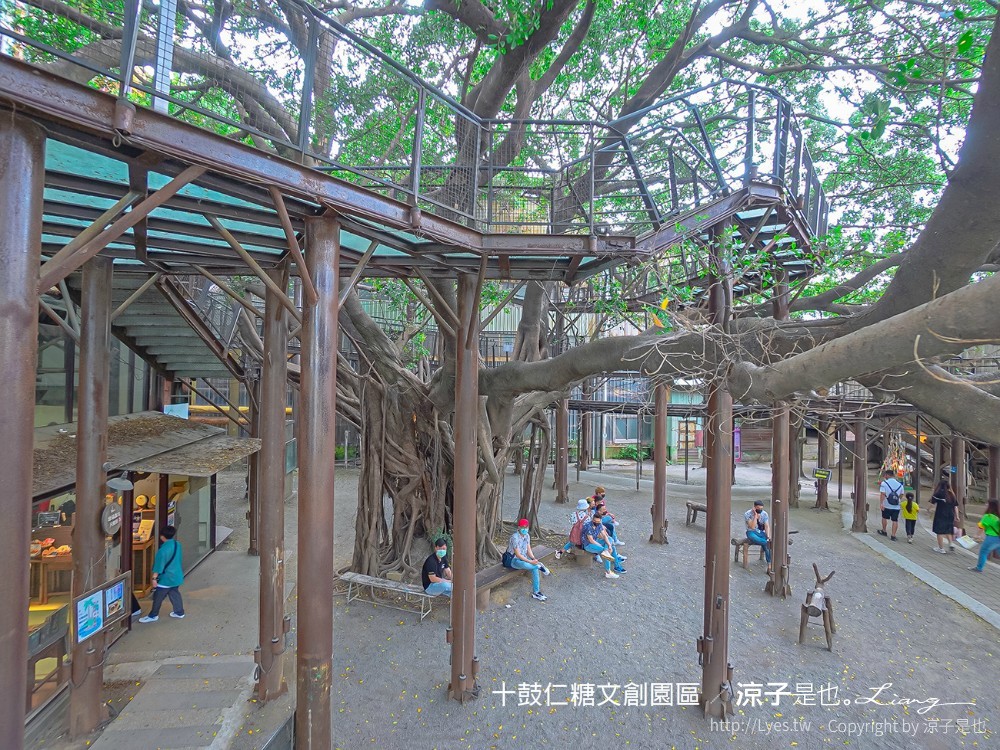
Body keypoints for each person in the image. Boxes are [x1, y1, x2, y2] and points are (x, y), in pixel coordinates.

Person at [139, 526, 185, 622]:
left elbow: (158, 567)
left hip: (166, 578)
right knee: (174, 593)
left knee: (158, 597)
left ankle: (153, 615)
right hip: (176, 575)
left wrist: (154, 579)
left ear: (162, 536)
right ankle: (179, 612)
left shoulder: (162, 551)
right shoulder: (177, 544)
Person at [506, 519, 549, 601]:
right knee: (531, 566)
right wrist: (530, 561)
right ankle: (539, 566)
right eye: (523, 527)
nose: (525, 529)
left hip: (523, 559)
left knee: (534, 568)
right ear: (519, 527)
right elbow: (518, 555)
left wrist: (533, 558)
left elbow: (529, 549)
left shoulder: (527, 536)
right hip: (513, 560)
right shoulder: (514, 537)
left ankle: (536, 592)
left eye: (526, 527)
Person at [581, 511, 626, 579]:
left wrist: (609, 546)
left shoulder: (599, 524)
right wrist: (604, 548)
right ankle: (608, 572)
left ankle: (617, 566)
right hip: (588, 545)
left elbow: (604, 536)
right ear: (592, 520)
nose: (597, 523)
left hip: (596, 541)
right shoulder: (588, 526)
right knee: (605, 552)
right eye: (595, 521)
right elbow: (591, 540)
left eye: (598, 521)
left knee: (611, 544)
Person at [968, 498, 1000, 573]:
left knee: (983, 552)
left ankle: (979, 568)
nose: (985, 505)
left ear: (990, 506)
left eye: (987, 504)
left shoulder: (988, 516)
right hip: (998, 538)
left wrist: (976, 535)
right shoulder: (997, 517)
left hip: (991, 538)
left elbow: (981, 527)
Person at [929, 478, 959, 554]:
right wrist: (957, 516)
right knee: (948, 530)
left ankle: (941, 548)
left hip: (940, 514)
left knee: (939, 532)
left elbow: (932, 503)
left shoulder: (938, 493)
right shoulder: (952, 494)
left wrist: (928, 509)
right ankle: (951, 543)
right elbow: (955, 506)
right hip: (950, 514)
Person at [744, 500, 772, 572]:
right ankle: (766, 543)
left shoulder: (764, 514)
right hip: (751, 532)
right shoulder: (747, 514)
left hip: (761, 532)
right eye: (758, 508)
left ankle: (769, 563)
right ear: (754, 507)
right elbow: (752, 527)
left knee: (766, 544)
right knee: (764, 543)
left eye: (761, 508)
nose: (760, 510)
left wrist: (768, 536)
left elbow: (766, 526)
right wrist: (755, 516)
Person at [878, 470, 904, 540]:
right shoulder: (900, 484)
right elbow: (901, 494)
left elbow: (882, 494)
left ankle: (884, 530)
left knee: (884, 517)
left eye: (885, 475)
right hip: (896, 506)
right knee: (895, 520)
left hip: (886, 504)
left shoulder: (884, 483)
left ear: (887, 475)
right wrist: (897, 499)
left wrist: (881, 503)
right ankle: (893, 535)